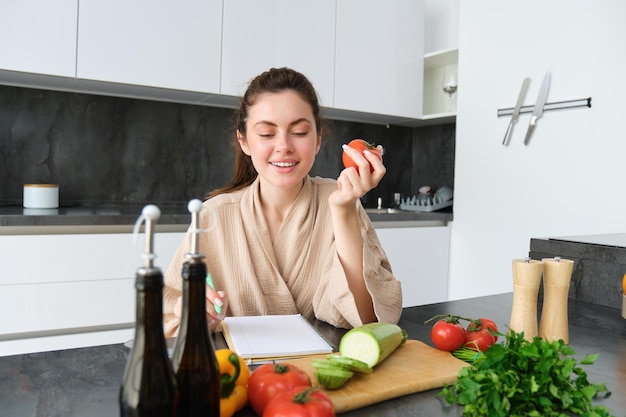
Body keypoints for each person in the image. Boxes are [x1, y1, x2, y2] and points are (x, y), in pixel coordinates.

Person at [162, 67, 402, 337]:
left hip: (323, 370)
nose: (284, 145)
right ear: (244, 141)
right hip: (239, 373)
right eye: (266, 134)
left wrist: (344, 210)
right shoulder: (212, 216)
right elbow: (171, 324)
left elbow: (369, 320)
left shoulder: (339, 200)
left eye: (299, 132)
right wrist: (194, 317)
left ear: (318, 139)